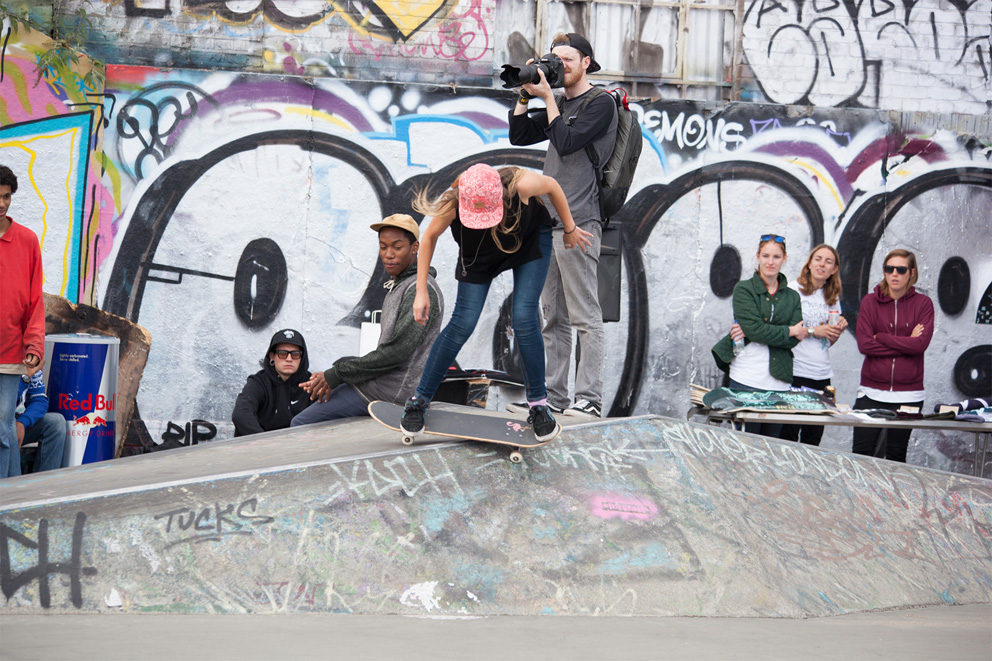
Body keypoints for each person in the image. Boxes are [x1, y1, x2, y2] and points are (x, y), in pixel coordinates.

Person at [400, 163, 592, 443]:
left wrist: (570, 228)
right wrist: (421, 290)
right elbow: (428, 238)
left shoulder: (522, 185)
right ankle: (419, 400)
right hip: (478, 253)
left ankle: (539, 405)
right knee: (462, 323)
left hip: (527, 239)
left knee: (524, 317)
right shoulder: (454, 200)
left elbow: (552, 185)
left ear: (501, 194)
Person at [507, 32, 618, 419]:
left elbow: (567, 141)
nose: (560, 66)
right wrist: (525, 95)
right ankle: (553, 398)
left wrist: (549, 99)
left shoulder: (600, 103)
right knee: (553, 317)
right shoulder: (563, 105)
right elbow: (519, 134)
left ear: (586, 62)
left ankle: (590, 399)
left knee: (585, 315)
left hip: (580, 221)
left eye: (567, 59)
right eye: (555, 59)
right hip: (548, 223)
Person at [291, 214, 444, 426]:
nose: (388, 254)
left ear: (415, 247)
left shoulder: (419, 290)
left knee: (301, 424)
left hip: (391, 393)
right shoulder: (401, 284)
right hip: (379, 386)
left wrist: (336, 375)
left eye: (397, 247)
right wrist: (334, 375)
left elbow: (396, 352)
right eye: (383, 247)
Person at [712, 234, 805, 438]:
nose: (770, 262)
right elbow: (759, 330)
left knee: (771, 447)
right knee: (745, 445)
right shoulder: (743, 289)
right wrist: (789, 330)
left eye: (776, 257)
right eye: (765, 256)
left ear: (784, 258)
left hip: (779, 383)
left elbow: (792, 341)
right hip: (746, 378)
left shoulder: (793, 296)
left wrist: (758, 329)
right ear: (757, 256)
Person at [852, 249, 934, 463]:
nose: (894, 274)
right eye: (889, 269)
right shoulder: (870, 302)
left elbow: (920, 345)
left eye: (901, 269)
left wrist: (882, 337)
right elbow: (865, 345)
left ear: (912, 273)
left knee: (896, 456)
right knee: (861, 454)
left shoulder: (923, 304)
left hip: (909, 395)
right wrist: (907, 343)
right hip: (871, 391)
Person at [780, 244, 849, 446]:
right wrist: (813, 330)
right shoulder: (792, 290)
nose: (822, 264)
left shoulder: (832, 298)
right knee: (788, 437)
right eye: (818, 259)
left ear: (834, 269)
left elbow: (827, 342)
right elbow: (783, 330)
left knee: (813, 439)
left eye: (828, 261)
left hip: (821, 374)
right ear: (809, 264)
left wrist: (837, 331)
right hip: (795, 372)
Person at [0, 165, 45, 478]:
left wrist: (34, 346)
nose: (2, 203)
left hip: (10, 353)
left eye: (6, 196)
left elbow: (34, 301)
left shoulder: (27, 241)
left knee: (3, 428)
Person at [232, 329, 312, 437]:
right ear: (272, 357)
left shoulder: (311, 384)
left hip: (299, 444)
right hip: (260, 444)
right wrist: (264, 441)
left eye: (295, 354)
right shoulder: (259, 382)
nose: (289, 359)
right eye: (282, 353)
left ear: (302, 358)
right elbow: (241, 413)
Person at [15, 360, 66, 473]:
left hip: (16, 421)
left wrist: (23, 421)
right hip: (4, 423)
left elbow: (39, 399)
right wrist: (26, 377)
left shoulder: (29, 356)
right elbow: (5, 403)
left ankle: (45, 481)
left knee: (56, 423)